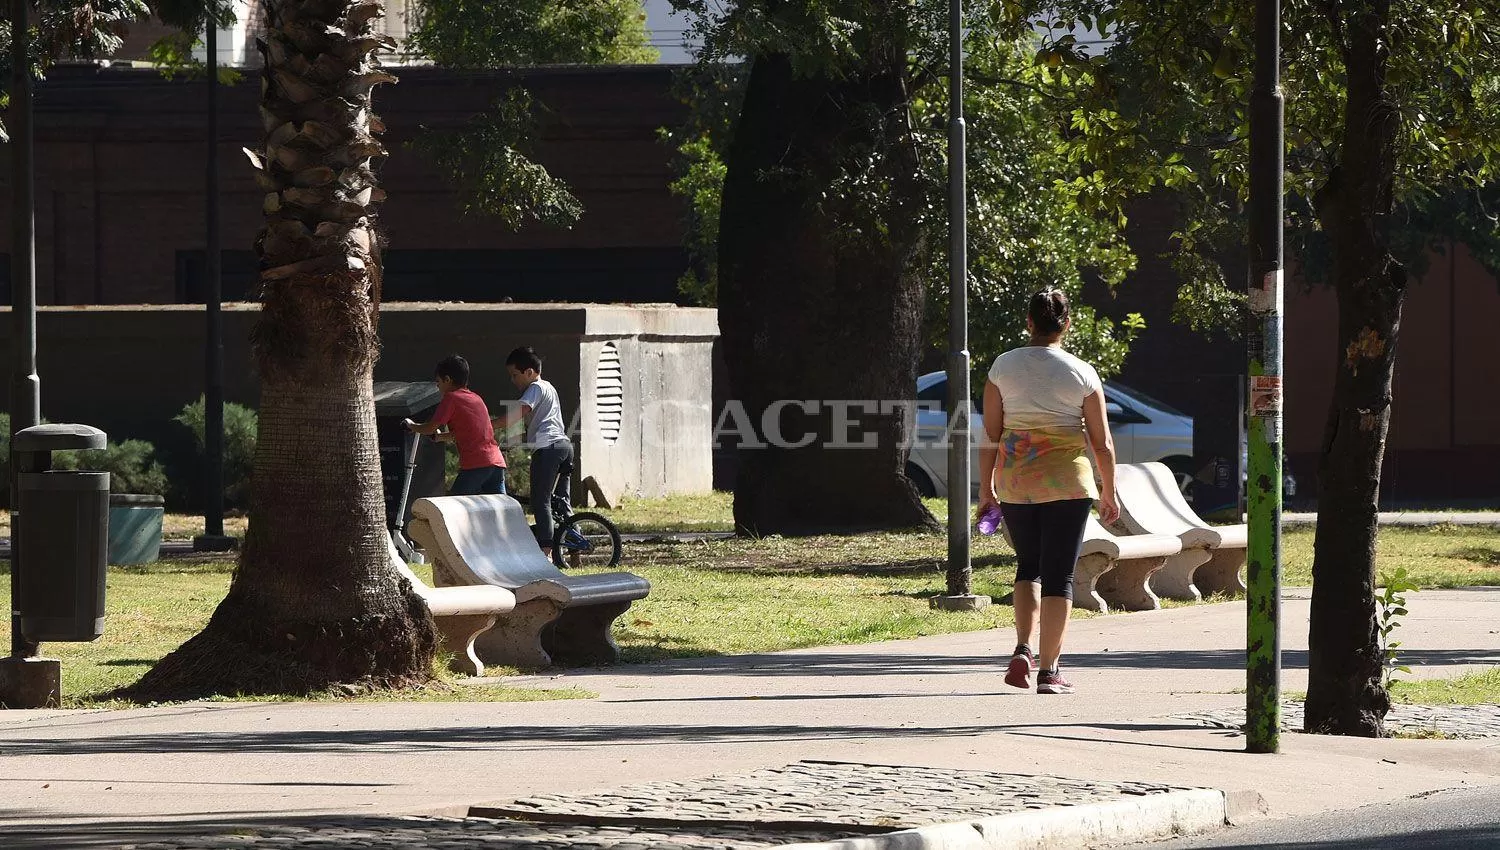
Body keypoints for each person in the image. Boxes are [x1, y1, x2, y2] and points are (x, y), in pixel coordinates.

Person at [976, 290, 1119, 695]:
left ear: (1029, 323)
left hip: (1016, 481)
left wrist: (986, 489)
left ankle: (1023, 648)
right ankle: (1050, 670)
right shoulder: (1082, 372)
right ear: (1066, 325)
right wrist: (1109, 491)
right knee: (1061, 575)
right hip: (1067, 483)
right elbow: (1102, 442)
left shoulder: (1003, 366)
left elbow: (990, 434)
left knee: (1029, 566)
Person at [493, 346, 574, 556]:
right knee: (561, 502)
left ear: (529, 372)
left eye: (514, 375)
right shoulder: (549, 388)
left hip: (548, 450)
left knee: (541, 501)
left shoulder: (535, 388)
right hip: (563, 447)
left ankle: (545, 551)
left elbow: (518, 413)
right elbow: (541, 424)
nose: (513, 380)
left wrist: (489, 425)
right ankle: (575, 549)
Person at [407, 354, 507, 496]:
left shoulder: (451, 398)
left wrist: (412, 426)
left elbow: (430, 427)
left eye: (438, 382)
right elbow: (467, 431)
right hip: (496, 463)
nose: (438, 386)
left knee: (455, 507)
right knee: (499, 509)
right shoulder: (476, 398)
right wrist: (440, 437)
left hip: (476, 465)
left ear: (447, 379)